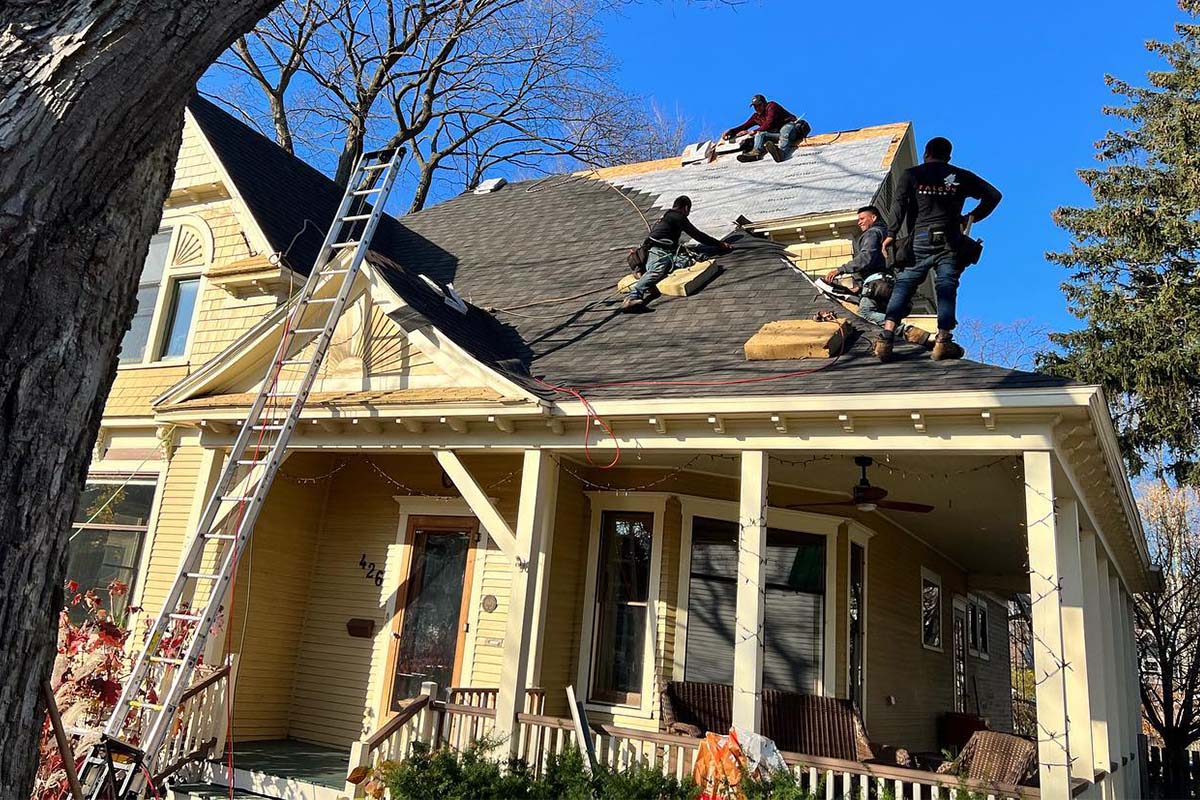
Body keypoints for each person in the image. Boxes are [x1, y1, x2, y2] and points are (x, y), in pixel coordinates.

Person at [875, 137, 1002, 362]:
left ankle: (886, 338)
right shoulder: (961, 176)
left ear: (926, 153)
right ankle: (943, 340)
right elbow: (994, 195)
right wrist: (970, 217)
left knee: (904, 283)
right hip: (950, 238)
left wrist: (891, 234)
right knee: (946, 285)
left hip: (920, 238)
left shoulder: (912, 175)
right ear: (949, 157)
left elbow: (898, 205)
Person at [824, 206, 931, 348]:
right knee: (880, 318)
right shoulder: (886, 234)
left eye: (862, 219)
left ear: (873, 218)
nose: (859, 223)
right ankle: (898, 343)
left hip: (877, 284)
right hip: (889, 285)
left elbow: (867, 257)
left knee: (866, 312)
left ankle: (908, 331)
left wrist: (840, 270)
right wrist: (860, 287)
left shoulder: (872, 233)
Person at [622, 196, 732, 312]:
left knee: (686, 261)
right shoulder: (678, 216)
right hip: (658, 251)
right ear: (685, 208)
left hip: (661, 251)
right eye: (688, 211)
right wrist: (719, 244)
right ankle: (632, 297)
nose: (687, 214)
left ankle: (642, 270)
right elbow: (697, 235)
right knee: (656, 271)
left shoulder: (667, 216)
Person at [722, 94, 808, 163]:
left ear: (764, 103)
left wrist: (754, 131)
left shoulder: (771, 106)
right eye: (755, 107)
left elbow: (769, 123)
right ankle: (755, 153)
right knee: (760, 134)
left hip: (791, 131)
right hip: (778, 135)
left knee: (784, 129)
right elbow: (744, 126)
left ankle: (781, 153)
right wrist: (731, 131)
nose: (757, 108)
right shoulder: (756, 116)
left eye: (759, 105)